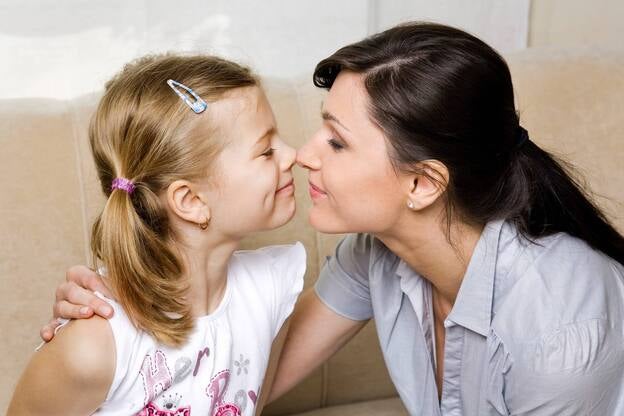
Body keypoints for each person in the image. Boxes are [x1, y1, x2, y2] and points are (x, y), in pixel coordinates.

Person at [41, 22, 624, 415]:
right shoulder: (373, 253)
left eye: (338, 143)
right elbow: (248, 381)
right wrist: (134, 309)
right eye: (321, 124)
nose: (305, 154)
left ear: (422, 183)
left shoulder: (559, 330)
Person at [9, 54, 306, 415]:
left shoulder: (270, 289)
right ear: (191, 200)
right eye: (266, 151)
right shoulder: (95, 344)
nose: (293, 155)